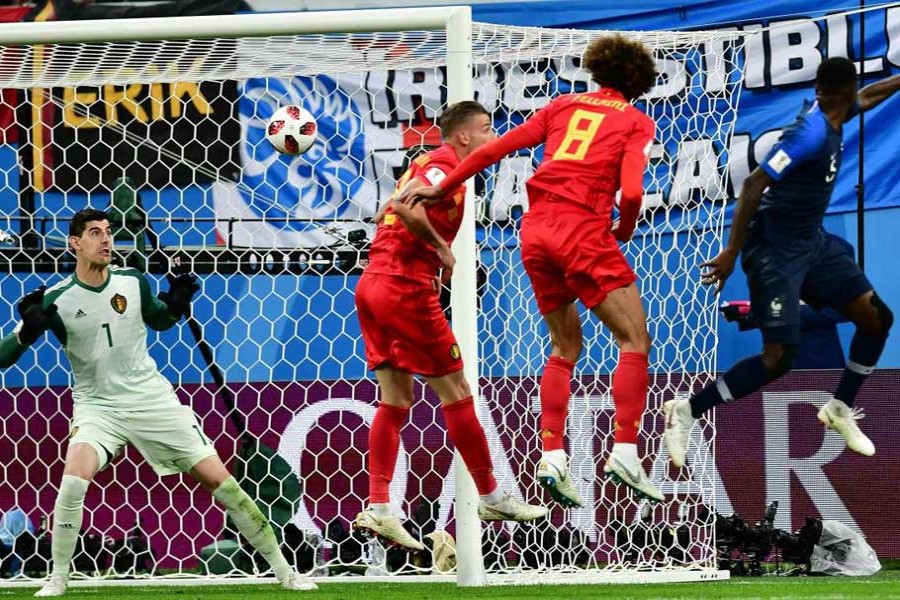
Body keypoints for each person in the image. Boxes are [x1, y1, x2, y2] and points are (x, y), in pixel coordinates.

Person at [398, 35, 664, 505]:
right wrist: (623, 228)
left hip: (536, 232)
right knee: (634, 340)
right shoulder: (636, 121)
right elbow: (634, 192)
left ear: (598, 71)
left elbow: (491, 152)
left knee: (565, 346)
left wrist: (442, 187)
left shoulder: (563, 105)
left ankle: (553, 456)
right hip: (582, 230)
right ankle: (625, 450)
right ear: (638, 82)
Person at [0, 209, 316, 596]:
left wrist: (177, 301)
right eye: (95, 233)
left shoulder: (132, 281)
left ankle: (286, 573)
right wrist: (27, 332)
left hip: (152, 399)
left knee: (225, 485)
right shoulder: (56, 300)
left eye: (109, 232)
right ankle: (58, 578)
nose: (105, 240)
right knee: (72, 483)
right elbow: (3, 355)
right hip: (98, 407)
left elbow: (160, 319)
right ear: (75, 243)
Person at [664, 57, 900, 468]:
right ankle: (687, 410)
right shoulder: (808, 134)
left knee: (876, 318)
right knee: (778, 359)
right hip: (774, 252)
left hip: (812, 243)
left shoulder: (837, 109)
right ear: (844, 90)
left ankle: (839, 408)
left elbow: (868, 97)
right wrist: (731, 252)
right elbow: (754, 183)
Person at [353, 101, 549, 551]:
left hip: (373, 284)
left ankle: (380, 506)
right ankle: (492, 497)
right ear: (463, 136)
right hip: (404, 286)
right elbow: (406, 205)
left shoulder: (429, 163)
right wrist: (442, 249)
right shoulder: (444, 164)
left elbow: (398, 201)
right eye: (486, 129)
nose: (492, 137)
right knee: (458, 392)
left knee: (395, 399)